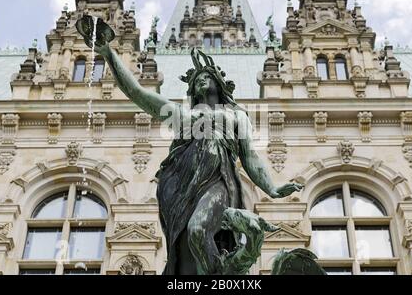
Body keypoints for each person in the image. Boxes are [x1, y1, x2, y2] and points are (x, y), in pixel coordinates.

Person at [87, 20, 303, 275]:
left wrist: (273, 188)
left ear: (217, 83)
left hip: (218, 179)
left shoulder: (236, 116)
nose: (200, 80)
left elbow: (250, 157)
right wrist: (109, 54)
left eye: (205, 76)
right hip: (182, 184)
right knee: (188, 240)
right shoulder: (184, 117)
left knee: (198, 228)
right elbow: (136, 93)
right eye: (196, 79)